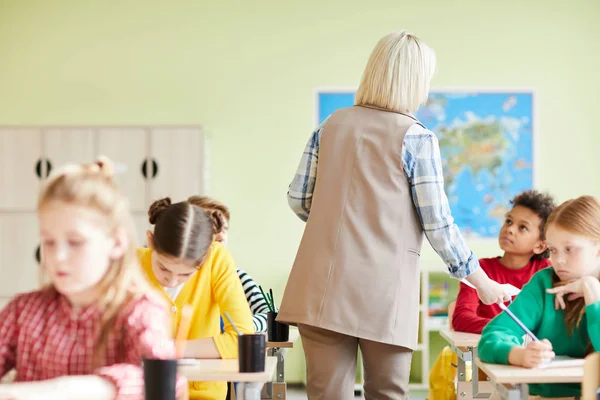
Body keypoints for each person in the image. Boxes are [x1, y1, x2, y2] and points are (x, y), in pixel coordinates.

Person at [276, 30, 512, 400]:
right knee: (387, 393)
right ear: (414, 80)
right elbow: (438, 224)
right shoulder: (417, 138)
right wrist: (483, 284)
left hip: (318, 286)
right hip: (382, 291)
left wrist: (342, 222)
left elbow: (299, 200)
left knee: (325, 395)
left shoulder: (330, 126)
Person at [0, 157, 186, 400]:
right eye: (48, 241)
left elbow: (164, 381)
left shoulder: (139, 312)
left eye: (75, 242)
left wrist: (62, 390)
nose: (59, 256)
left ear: (117, 243)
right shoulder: (23, 312)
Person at [479, 195, 600, 399]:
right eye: (553, 250)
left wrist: (592, 293)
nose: (559, 260)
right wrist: (519, 355)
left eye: (569, 249)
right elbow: (492, 337)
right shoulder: (544, 283)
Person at [137, 197, 253, 400]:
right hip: (143, 391)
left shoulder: (217, 259)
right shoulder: (133, 264)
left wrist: (171, 348)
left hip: (202, 394)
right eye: (163, 267)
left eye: (185, 274)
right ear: (150, 241)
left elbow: (243, 339)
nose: (172, 281)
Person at [452, 190, 556, 333]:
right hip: (487, 351)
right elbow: (461, 319)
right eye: (509, 221)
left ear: (539, 246)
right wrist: (508, 327)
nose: (510, 229)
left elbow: (553, 322)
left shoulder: (547, 273)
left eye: (523, 227)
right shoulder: (478, 270)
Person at [187, 195, 270, 333]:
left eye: (224, 229)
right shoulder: (181, 278)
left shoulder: (238, 277)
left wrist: (242, 323)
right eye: (212, 228)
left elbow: (269, 315)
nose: (221, 236)